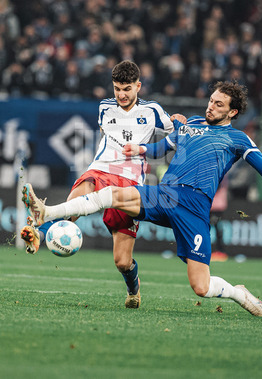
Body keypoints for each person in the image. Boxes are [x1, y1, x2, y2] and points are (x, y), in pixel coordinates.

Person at [22, 81, 262, 318]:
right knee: (109, 195)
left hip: (195, 207)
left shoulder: (238, 139)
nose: (211, 107)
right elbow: (164, 147)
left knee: (201, 287)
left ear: (233, 112)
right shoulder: (192, 124)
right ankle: (47, 213)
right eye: (211, 101)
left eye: (219, 104)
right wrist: (141, 150)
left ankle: (238, 293)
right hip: (166, 194)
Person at [20, 60, 185, 309]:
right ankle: (40, 232)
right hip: (101, 169)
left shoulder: (152, 111)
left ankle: (133, 288)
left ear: (138, 86)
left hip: (129, 182)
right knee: (81, 193)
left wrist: (179, 122)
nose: (121, 94)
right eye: (117, 88)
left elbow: (177, 132)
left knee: (122, 262)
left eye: (127, 89)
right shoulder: (104, 108)